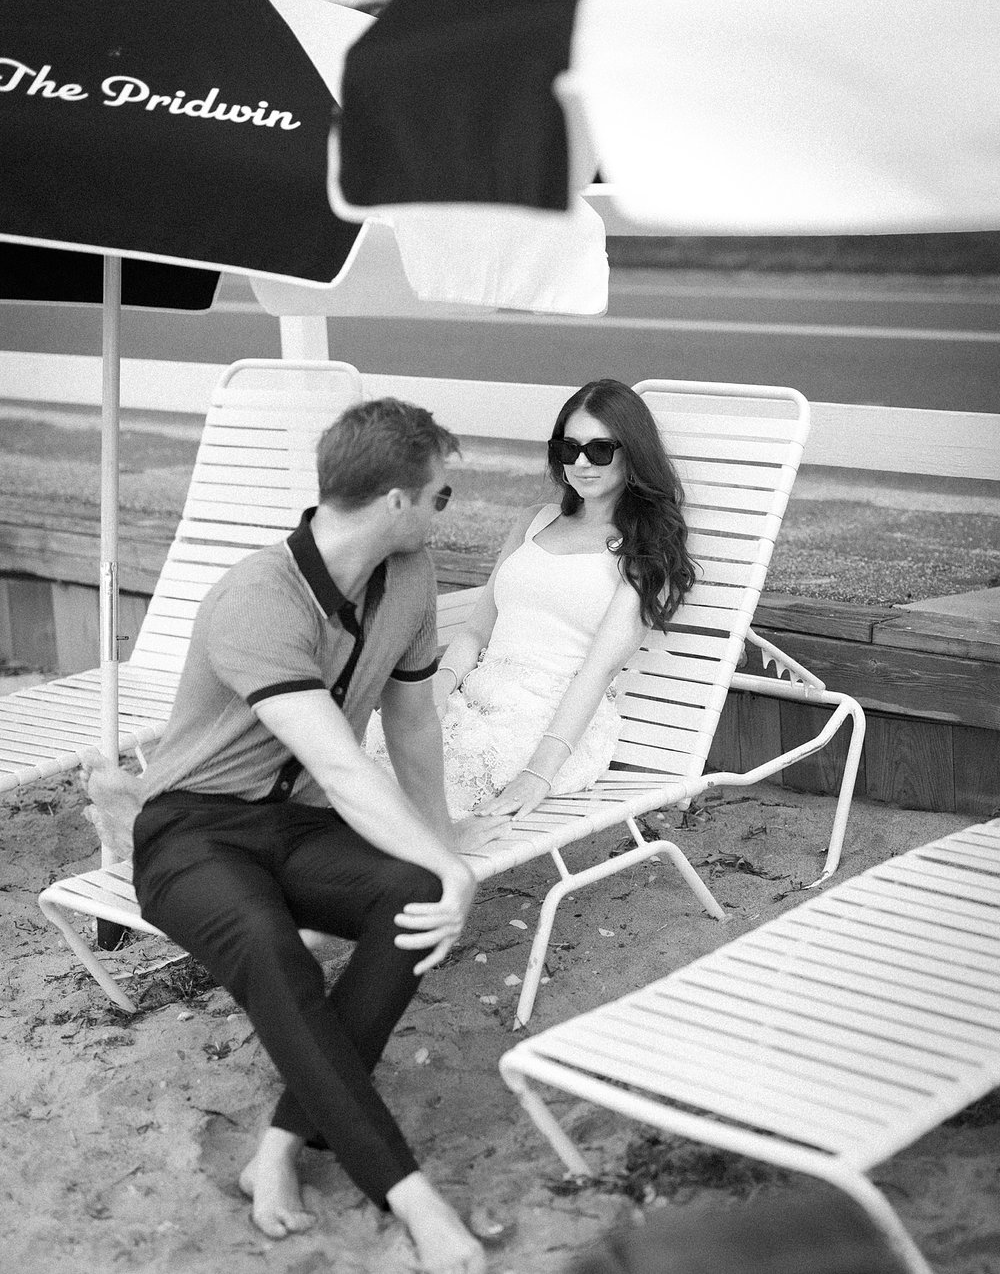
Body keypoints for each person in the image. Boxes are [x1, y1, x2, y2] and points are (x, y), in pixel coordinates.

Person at [85, 399, 487, 1274]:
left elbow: (412, 727)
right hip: (192, 831)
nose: (443, 512)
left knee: (413, 894)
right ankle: (411, 1195)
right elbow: (344, 766)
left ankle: (276, 1146)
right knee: (272, 945)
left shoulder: (410, 576)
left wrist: (446, 858)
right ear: (394, 502)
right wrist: (450, 866)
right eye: (441, 496)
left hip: (298, 824)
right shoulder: (255, 597)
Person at [367, 378, 697, 821]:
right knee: (379, 748)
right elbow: (476, 629)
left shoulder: (643, 551)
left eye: (600, 450)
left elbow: (597, 673)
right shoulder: (533, 521)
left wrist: (538, 774)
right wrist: (440, 686)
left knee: (416, 789)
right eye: (568, 448)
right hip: (478, 699)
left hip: (552, 725)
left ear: (632, 453)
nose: (581, 462)